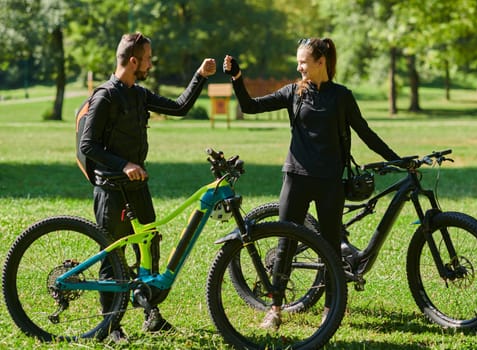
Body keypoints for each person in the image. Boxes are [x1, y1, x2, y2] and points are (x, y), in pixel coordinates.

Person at [223, 37, 400, 329]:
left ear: (321, 62)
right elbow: (250, 106)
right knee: (285, 243)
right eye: (298, 61)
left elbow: (366, 133)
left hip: (330, 182)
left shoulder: (342, 97)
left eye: (303, 61)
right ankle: (275, 308)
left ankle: (331, 309)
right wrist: (237, 77)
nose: (298, 66)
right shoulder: (294, 92)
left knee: (330, 247)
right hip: (296, 178)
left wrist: (395, 160)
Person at [79, 32, 216, 342]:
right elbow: (89, 145)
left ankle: (150, 314)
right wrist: (123, 165)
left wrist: (199, 76)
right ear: (132, 61)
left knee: (149, 247)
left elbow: (180, 107)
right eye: (148, 59)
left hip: (138, 186)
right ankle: (110, 328)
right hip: (111, 188)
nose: (151, 65)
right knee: (113, 257)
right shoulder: (105, 96)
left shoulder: (138, 94)